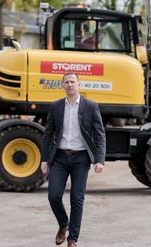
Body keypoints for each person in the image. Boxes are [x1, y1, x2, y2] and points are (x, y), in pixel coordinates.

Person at [41, 72, 106, 246]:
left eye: (73, 82)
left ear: (79, 84)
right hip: (59, 157)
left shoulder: (91, 106)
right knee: (54, 196)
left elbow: (100, 135)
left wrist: (99, 160)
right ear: (63, 85)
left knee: (77, 198)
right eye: (66, 82)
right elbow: (48, 134)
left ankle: (72, 238)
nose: (70, 85)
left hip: (80, 158)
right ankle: (64, 224)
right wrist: (44, 159)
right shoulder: (55, 106)